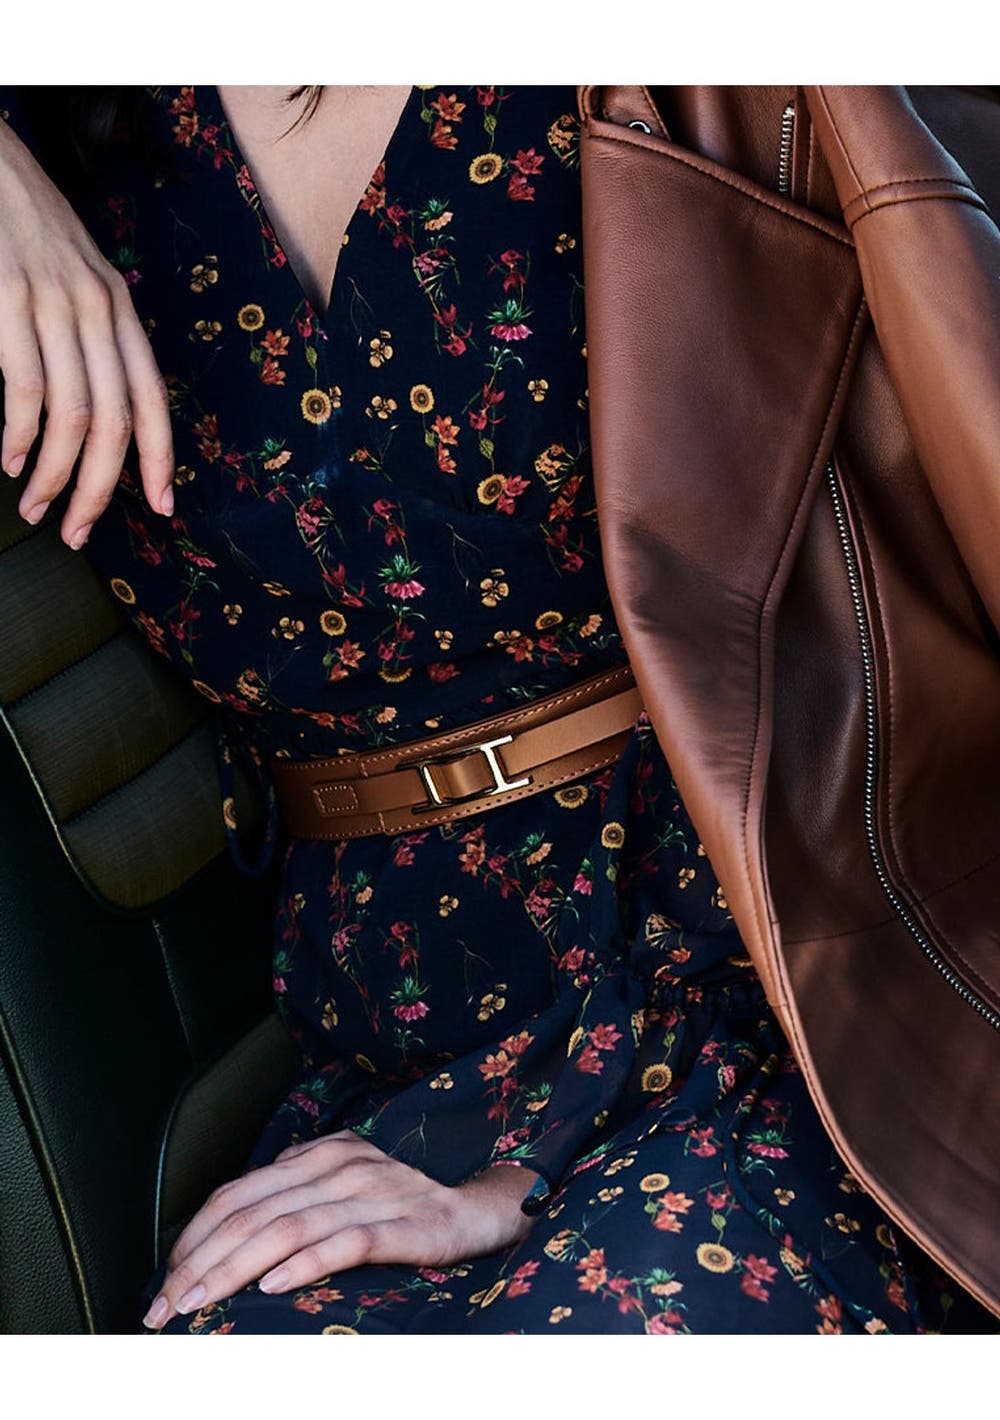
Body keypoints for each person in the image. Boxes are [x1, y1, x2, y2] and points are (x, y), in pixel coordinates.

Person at [0, 82, 994, 1336]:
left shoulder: (674, 77)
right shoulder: (73, 117)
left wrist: (533, 1157)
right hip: (392, 1033)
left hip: (781, 958)